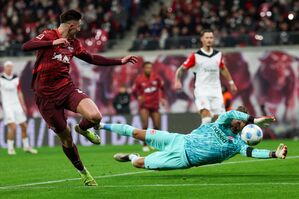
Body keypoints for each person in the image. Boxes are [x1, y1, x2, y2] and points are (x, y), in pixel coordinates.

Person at [22, 9, 138, 186]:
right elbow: (26, 46)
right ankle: (83, 172)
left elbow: (91, 58)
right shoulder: (48, 35)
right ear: (72, 25)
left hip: (67, 89)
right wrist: (51, 43)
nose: (80, 28)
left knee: (95, 116)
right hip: (46, 97)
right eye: (79, 25)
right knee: (66, 139)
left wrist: (119, 61)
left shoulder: (73, 43)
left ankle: (83, 129)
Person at [99, 106, 287, 170]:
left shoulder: (237, 143)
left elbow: (253, 152)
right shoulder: (222, 122)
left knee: (138, 164)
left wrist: (274, 154)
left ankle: (131, 156)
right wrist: (254, 119)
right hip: (179, 140)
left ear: (245, 127)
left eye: (242, 123)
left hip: (182, 159)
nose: (238, 123)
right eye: (238, 119)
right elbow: (229, 113)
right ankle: (100, 125)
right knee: (138, 133)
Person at [174, 29, 237, 125]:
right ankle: (203, 139)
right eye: (207, 37)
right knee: (206, 117)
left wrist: (231, 83)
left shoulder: (218, 55)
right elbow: (181, 69)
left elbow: (223, 69)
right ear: (202, 39)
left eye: (211, 38)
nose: (209, 40)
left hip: (216, 90)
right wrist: (177, 80)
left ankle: (216, 139)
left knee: (221, 119)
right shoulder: (195, 56)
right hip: (202, 90)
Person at [0, 61, 38, 155]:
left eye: (11, 67)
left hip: (17, 105)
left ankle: (26, 147)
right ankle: (10, 149)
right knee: (12, 126)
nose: (9, 68)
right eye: (8, 66)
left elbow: (19, 92)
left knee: (24, 126)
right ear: (4, 68)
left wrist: (23, 105)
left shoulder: (15, 78)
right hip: (7, 106)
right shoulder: (0, 78)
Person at [131, 62, 166, 152]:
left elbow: (162, 88)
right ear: (143, 69)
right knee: (145, 125)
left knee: (157, 126)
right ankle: (145, 144)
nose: (149, 69)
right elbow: (134, 91)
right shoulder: (139, 79)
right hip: (144, 105)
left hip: (155, 105)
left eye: (150, 68)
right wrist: (138, 97)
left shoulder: (156, 78)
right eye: (147, 68)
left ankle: (154, 143)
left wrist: (162, 98)